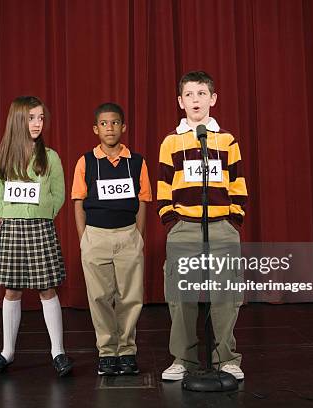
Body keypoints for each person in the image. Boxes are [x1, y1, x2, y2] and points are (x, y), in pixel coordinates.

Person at [157, 71, 248, 381]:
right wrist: (171, 219)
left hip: (222, 227)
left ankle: (226, 358)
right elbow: (163, 185)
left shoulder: (227, 139)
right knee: (181, 296)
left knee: (226, 293)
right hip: (185, 227)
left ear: (213, 98)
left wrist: (234, 218)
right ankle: (184, 359)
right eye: (189, 95)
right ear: (180, 101)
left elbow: (237, 182)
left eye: (201, 94)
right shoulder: (171, 141)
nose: (196, 99)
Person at [0, 96, 73, 377]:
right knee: (12, 290)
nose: (37, 123)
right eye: (32, 117)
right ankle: (7, 352)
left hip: (40, 228)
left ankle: (58, 351)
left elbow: (59, 194)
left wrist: (45, 214)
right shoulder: (3, 156)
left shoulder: (51, 156)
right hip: (11, 228)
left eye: (41, 118)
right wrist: (6, 213)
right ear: (18, 120)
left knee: (47, 289)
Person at [71, 102, 152, 375]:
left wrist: (138, 235)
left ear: (123, 127)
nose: (110, 127)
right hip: (95, 237)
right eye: (104, 123)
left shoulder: (137, 162)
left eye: (115, 122)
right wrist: (84, 238)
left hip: (128, 235)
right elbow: (78, 202)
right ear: (96, 129)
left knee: (130, 297)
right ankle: (107, 351)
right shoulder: (86, 161)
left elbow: (143, 201)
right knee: (99, 298)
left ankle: (127, 350)